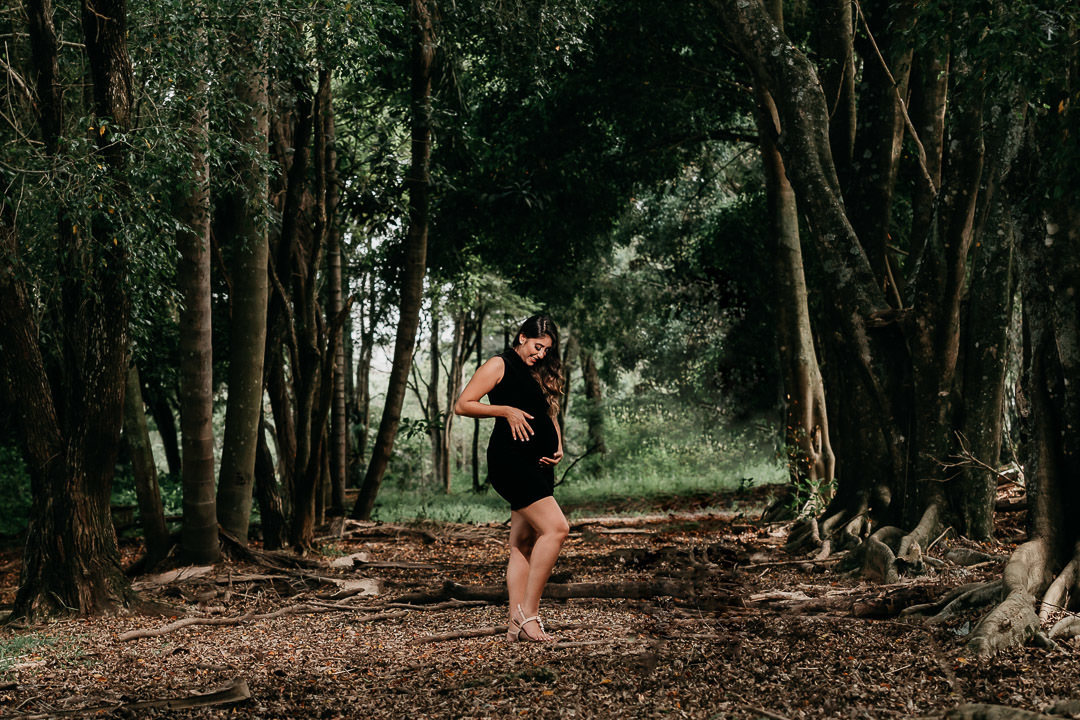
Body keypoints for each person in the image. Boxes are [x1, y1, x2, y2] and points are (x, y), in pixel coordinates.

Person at [453, 315, 570, 642]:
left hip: (540, 465)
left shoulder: (537, 371)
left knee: (522, 544)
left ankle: (514, 626)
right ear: (521, 337)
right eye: (537, 346)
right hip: (511, 462)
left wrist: (557, 443)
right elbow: (463, 405)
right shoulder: (499, 365)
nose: (541, 354)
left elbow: (548, 412)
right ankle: (529, 616)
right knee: (557, 528)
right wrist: (505, 411)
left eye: (547, 349)